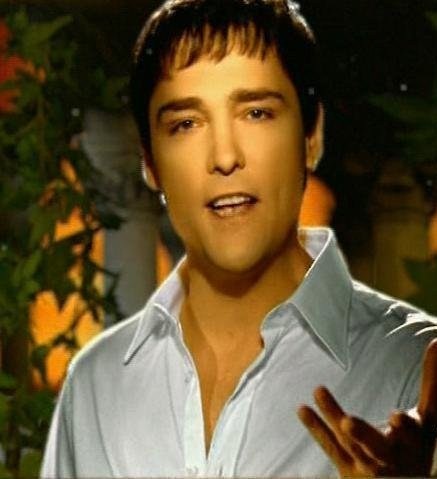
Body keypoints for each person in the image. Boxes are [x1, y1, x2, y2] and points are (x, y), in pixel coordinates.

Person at [41, 0, 437, 477]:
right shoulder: (97, 383)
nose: (225, 156)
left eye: (256, 113)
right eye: (186, 124)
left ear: (311, 136)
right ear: (150, 162)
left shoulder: (412, 365)